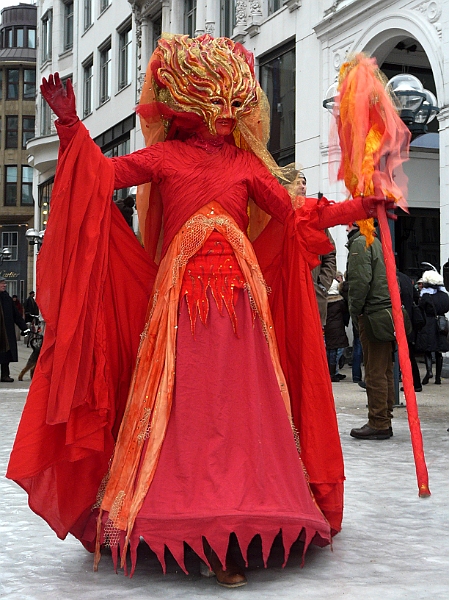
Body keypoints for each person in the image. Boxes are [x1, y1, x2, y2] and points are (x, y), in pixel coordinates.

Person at [7, 35, 390, 587]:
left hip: (240, 312)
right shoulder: (165, 156)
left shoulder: (245, 165)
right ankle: (192, 521)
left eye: (236, 106)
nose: (230, 118)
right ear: (190, 106)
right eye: (220, 106)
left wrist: (362, 206)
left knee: (239, 414)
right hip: (180, 312)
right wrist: (70, 127)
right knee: (185, 409)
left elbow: (296, 213)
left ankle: (239, 520)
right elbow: (97, 178)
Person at [346, 223, 394, 440]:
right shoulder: (375, 240)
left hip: (373, 313)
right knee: (384, 370)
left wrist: (355, 311)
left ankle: (379, 422)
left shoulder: (361, 242)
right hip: (384, 312)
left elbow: (359, 282)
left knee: (374, 371)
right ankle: (384, 416)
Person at [284, 167, 336, 328]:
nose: (302, 186)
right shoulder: (281, 217)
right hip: (288, 295)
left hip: (314, 295)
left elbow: (330, 254)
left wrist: (321, 285)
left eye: (304, 183)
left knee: (315, 347)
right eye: (297, 182)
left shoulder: (315, 217)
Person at [415, 270, 449, 385]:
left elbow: (420, 308)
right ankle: (438, 378)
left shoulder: (426, 296)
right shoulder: (445, 295)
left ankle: (429, 371)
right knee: (439, 350)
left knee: (428, 349)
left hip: (429, 322)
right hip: (441, 323)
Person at [396, 269, 422, 392]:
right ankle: (415, 383)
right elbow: (416, 297)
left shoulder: (391, 277)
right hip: (409, 320)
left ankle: (392, 382)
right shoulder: (406, 278)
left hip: (399, 319)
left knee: (392, 354)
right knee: (408, 354)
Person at [0, 276, 29, 382]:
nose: (4, 285)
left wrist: (25, 328)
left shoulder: (7, 298)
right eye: (2, 283)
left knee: (5, 354)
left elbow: (16, 315)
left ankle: (5, 375)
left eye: (4, 283)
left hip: (5, 332)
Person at [324, 279, 349, 382]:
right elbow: (345, 314)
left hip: (327, 327)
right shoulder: (340, 302)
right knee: (337, 350)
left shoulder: (323, 301)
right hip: (338, 328)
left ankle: (331, 372)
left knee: (330, 349)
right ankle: (333, 372)